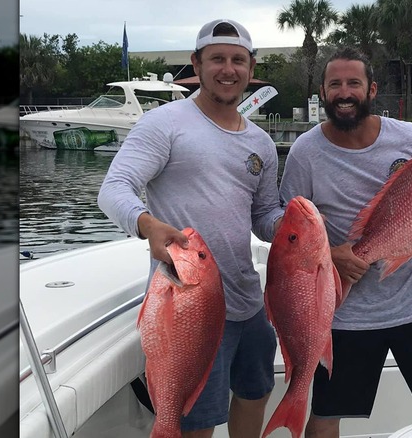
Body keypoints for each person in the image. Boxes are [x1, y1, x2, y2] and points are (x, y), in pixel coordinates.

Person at [279, 47, 412, 437]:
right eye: (335, 84)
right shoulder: (305, 153)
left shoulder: (407, 136)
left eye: (353, 83)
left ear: (371, 89)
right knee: (326, 416)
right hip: (346, 312)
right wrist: (331, 254)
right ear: (323, 92)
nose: (344, 92)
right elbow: (287, 228)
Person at [97, 18, 283, 438]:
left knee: (255, 395)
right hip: (185, 304)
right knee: (196, 422)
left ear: (251, 70)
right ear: (196, 65)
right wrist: (147, 224)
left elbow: (264, 216)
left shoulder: (261, 143)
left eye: (238, 60)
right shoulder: (164, 123)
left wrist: (296, 224)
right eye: (217, 58)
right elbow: (114, 188)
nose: (228, 69)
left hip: (247, 303)